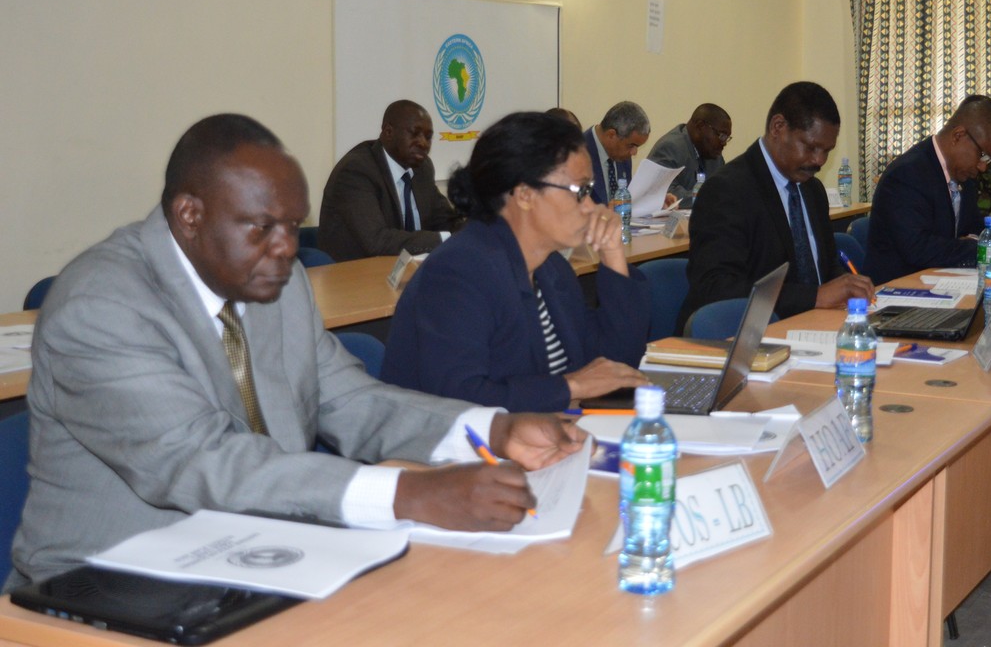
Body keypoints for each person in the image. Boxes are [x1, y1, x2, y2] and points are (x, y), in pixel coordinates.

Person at [7, 114, 583, 588]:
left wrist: (493, 430)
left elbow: (350, 400)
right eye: (263, 227)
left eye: (292, 225)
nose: (287, 249)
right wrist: (409, 494)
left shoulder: (270, 280)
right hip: (110, 581)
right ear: (190, 215)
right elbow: (200, 462)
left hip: (263, 552)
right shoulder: (101, 305)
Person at [380, 112, 650, 412]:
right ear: (524, 195)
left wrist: (612, 254)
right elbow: (459, 398)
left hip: (547, 431)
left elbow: (614, 365)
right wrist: (571, 387)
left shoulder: (551, 268)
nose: (592, 206)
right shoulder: (458, 272)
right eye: (581, 191)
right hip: (454, 440)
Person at [678, 82, 876, 331]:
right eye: (811, 147)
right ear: (778, 127)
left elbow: (824, 267)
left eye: (827, 151)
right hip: (742, 335)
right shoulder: (726, 190)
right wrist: (815, 297)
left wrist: (846, 285)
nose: (819, 160)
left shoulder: (812, 190)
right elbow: (717, 287)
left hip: (813, 328)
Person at [863, 95, 991, 285]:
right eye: (982, 155)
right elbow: (919, 248)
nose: (982, 167)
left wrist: (977, 242)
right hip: (898, 289)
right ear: (958, 136)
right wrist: (978, 247)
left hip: (943, 282)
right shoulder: (907, 174)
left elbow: (975, 229)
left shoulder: (963, 174)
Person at [317, 99, 464, 261]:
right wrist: (444, 238)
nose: (423, 143)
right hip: (356, 271)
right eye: (415, 134)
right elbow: (377, 241)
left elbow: (444, 219)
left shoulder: (422, 168)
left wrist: (471, 228)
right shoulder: (356, 171)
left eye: (428, 137)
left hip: (407, 268)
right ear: (388, 132)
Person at [646, 103, 732, 208]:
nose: (724, 143)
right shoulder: (670, 147)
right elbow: (666, 195)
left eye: (727, 138)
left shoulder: (714, 155)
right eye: (721, 135)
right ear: (700, 126)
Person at [584, 100, 652, 205]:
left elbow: (626, 200)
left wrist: (654, 200)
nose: (634, 152)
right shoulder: (576, 153)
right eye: (632, 145)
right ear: (611, 135)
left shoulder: (622, 155)